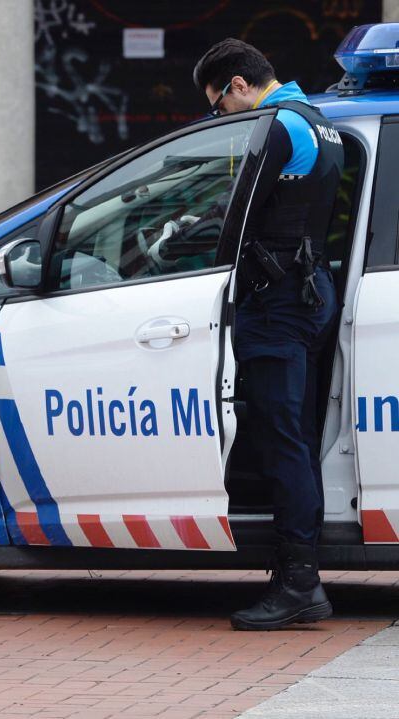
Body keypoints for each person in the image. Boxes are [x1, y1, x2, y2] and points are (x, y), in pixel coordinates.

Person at [193, 39, 342, 630]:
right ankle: (299, 575)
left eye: (218, 108)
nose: (222, 120)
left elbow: (239, 217)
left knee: (284, 439)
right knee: (297, 437)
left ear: (237, 85)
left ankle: (300, 582)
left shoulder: (278, 125)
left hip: (279, 301)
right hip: (305, 291)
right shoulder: (319, 122)